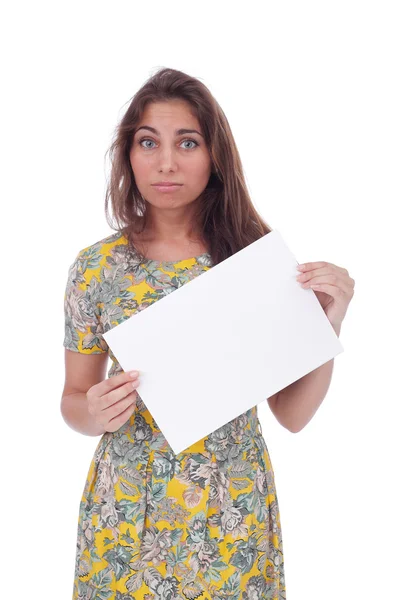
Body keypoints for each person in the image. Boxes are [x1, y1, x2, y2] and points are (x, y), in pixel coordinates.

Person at [62, 67, 354, 600]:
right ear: (128, 154)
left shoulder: (252, 260)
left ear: (214, 154)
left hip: (230, 510)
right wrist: (93, 410)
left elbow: (292, 414)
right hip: (127, 510)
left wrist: (326, 326)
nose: (166, 162)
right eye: (148, 142)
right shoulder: (96, 269)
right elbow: (73, 401)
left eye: (187, 142)